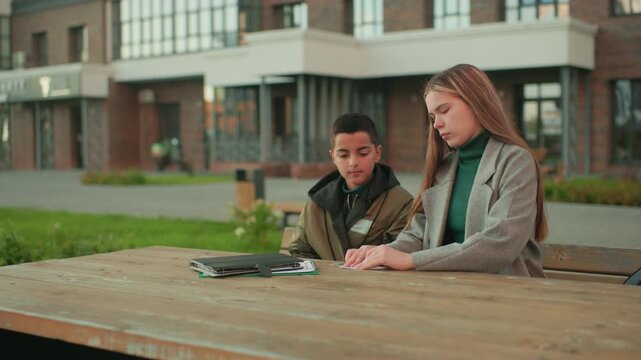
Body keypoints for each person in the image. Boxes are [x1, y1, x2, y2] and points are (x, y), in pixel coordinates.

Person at [344, 64, 548, 277]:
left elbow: (500, 242)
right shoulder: (445, 167)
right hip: (449, 291)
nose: (436, 124)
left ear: (476, 102)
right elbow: (418, 235)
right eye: (432, 117)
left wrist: (410, 260)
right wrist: (381, 252)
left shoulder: (515, 161)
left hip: (508, 295)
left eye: (444, 110)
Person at [288, 113, 414, 260]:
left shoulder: (401, 204)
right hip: (325, 282)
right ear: (333, 156)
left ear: (377, 153)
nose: (353, 162)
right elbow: (300, 250)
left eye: (363, 153)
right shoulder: (316, 202)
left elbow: (401, 255)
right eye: (343, 155)